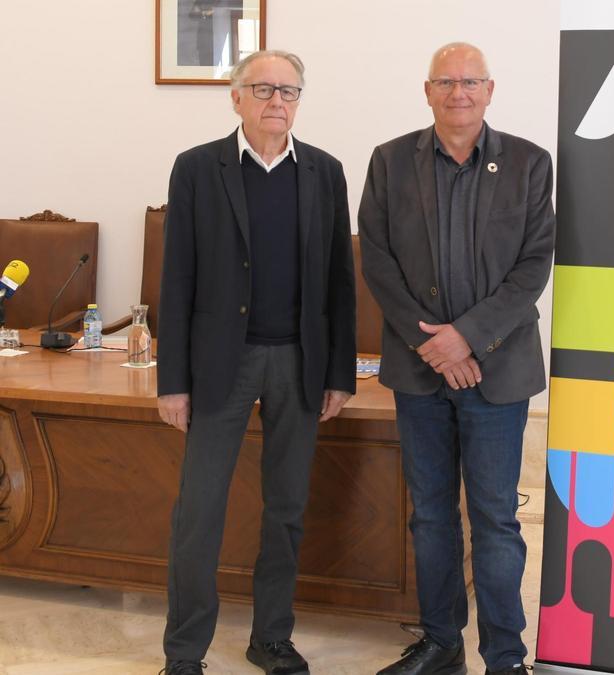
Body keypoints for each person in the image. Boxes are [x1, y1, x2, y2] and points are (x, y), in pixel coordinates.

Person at [156, 49, 356, 675]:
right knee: (199, 514)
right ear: (236, 97)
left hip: (299, 362)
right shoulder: (196, 168)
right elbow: (177, 278)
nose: (278, 101)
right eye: (264, 89)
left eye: (290, 91)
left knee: (287, 508)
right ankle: (185, 651)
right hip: (223, 364)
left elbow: (338, 283)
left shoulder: (325, 172)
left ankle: (271, 637)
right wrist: (173, 382)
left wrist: (339, 374)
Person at [358, 42, 554, 675]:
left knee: (495, 518)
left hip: (498, 372)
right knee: (431, 515)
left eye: (471, 81)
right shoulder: (390, 162)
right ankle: (442, 643)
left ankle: (505, 657)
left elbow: (532, 267)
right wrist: (434, 346)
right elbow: (379, 262)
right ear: (427, 90)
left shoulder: (529, 163)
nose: (458, 92)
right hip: (420, 372)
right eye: (446, 81)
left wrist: (465, 337)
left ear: (490, 91)